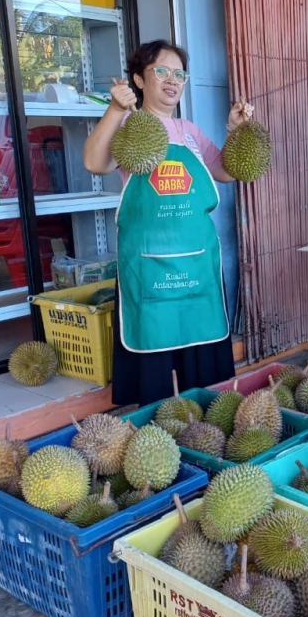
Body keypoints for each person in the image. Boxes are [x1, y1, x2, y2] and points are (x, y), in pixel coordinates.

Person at [84, 39, 251, 406]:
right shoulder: (128, 125)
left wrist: (235, 131)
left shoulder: (189, 132)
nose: (172, 80)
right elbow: (96, 163)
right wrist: (114, 109)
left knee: (201, 342)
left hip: (196, 258)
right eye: (161, 71)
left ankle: (207, 420)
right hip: (149, 262)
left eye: (179, 73)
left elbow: (224, 171)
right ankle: (159, 426)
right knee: (154, 342)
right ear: (139, 80)